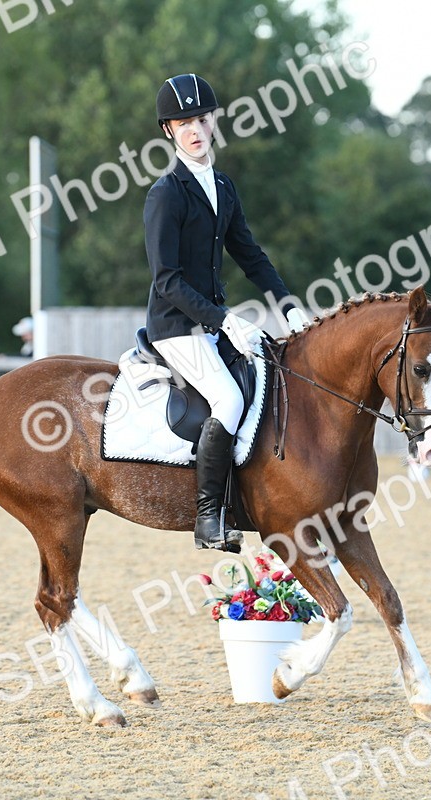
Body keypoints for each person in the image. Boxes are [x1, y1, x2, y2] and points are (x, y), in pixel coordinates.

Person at [144, 73, 311, 552]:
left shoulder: (223, 185)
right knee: (229, 401)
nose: (195, 129)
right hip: (177, 326)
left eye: (201, 118)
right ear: (169, 131)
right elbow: (167, 280)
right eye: (184, 123)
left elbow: (251, 256)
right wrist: (224, 320)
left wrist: (289, 306)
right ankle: (209, 518)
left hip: (214, 322)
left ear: (214, 120)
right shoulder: (166, 193)